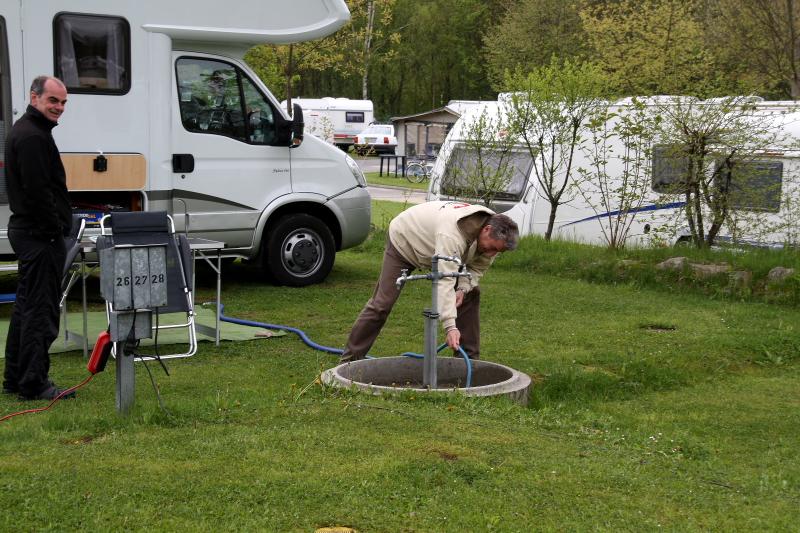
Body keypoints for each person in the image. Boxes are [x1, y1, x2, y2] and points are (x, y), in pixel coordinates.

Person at [341, 200, 519, 363]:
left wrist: (463, 289)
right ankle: (349, 361)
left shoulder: (491, 237)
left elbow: (477, 268)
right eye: (493, 248)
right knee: (382, 303)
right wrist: (450, 327)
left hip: (437, 246)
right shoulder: (452, 234)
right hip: (405, 239)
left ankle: (469, 362)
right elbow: (445, 281)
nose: (492, 254)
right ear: (486, 230)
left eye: (498, 252)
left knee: (471, 293)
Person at [2, 76, 74, 400]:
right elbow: (38, 192)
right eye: (53, 101)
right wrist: (55, 228)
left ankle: (15, 377)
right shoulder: (32, 136)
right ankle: (34, 383)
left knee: (25, 307)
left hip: (30, 232)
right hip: (38, 235)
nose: (58, 108)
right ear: (35, 98)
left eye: (62, 102)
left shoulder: (31, 131)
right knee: (40, 312)